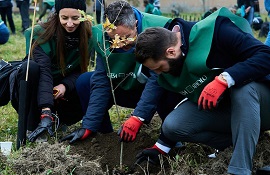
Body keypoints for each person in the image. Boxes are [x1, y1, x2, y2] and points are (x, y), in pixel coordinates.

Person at [134, 7, 270, 175]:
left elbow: (265, 55)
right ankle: (237, 142)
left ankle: (239, 169)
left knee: (241, 88)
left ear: (170, 52)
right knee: (173, 125)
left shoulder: (217, 31)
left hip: (262, 102)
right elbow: (161, 93)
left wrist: (225, 79)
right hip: (231, 111)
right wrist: (160, 147)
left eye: (159, 68)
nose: (158, 74)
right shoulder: (170, 61)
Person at [60, 0, 184, 144]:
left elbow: (157, 78)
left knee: (168, 81)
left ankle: (169, 138)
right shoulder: (101, 36)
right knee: (85, 81)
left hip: (155, 90)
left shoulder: (160, 30)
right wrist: (89, 125)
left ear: (136, 24)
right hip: (122, 88)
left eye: (126, 38)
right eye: (114, 39)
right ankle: (103, 135)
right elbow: (101, 80)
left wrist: (138, 116)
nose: (121, 44)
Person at [9, 0, 92, 142]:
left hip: (62, 87)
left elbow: (80, 71)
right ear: (57, 15)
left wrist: (64, 85)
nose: (70, 23)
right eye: (64, 18)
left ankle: (61, 120)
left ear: (83, 17)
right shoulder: (41, 34)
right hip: (37, 86)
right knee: (31, 68)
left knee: (89, 80)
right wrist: (46, 112)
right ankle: (33, 123)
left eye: (75, 18)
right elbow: (44, 73)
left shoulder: (88, 35)